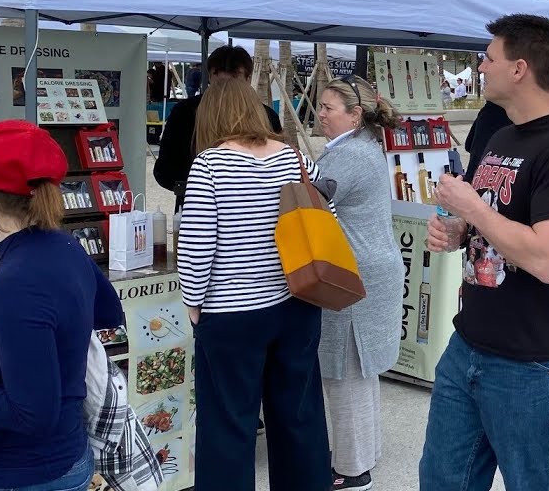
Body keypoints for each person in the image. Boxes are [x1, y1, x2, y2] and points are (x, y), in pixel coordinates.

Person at [419, 14, 549, 490]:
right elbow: (497, 220)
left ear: (519, 68)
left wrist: (472, 212)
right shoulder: (500, 136)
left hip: (535, 363)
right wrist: (459, 232)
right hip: (469, 345)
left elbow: (547, 259)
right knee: (442, 481)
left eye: (489, 57)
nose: (480, 67)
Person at [0, 120, 123, 491]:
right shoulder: (61, 245)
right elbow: (106, 312)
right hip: (63, 459)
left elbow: (32, 415)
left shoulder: (20, 281)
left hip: (24, 474)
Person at [178, 77, 330, 491]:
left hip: (232, 313)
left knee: (228, 425)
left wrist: (194, 305)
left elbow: (197, 243)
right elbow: (323, 204)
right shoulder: (291, 155)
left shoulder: (209, 164)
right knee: (299, 417)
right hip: (296, 300)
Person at [314, 77, 406, 491]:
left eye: (329, 108)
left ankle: (352, 468)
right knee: (359, 371)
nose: (320, 113)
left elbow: (310, 196)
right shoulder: (362, 148)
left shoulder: (349, 155)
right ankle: (362, 455)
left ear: (355, 115)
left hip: (352, 275)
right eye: (320, 105)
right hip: (369, 270)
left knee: (344, 370)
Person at [154, 45, 283, 209]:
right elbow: (164, 171)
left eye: (234, 76)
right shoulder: (184, 113)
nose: (225, 83)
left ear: (249, 78)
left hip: (255, 210)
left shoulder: (266, 116)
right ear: (209, 76)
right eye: (218, 75)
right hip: (198, 207)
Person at [463, 100, 512, 182]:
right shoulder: (515, 118)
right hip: (500, 181)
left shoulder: (487, 112)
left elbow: (468, 145)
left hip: (475, 176)